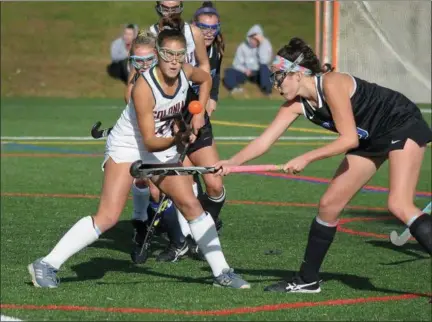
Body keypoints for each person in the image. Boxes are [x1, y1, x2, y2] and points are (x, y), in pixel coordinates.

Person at [27, 17, 250, 290]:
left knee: (192, 205)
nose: (174, 61)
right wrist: (180, 137)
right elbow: (149, 141)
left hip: (161, 146)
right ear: (158, 55)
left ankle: (222, 273)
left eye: (179, 55)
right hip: (129, 145)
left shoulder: (185, 71)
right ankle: (46, 264)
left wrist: (199, 112)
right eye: (168, 54)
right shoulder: (144, 88)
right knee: (108, 215)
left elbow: (205, 78)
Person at [215, 37, 432, 293]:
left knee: (398, 204)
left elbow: (348, 138)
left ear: (297, 73)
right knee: (329, 205)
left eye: (279, 77)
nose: (275, 84)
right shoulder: (295, 106)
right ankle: (307, 279)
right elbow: (264, 142)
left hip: (400, 123)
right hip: (370, 138)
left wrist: (306, 157)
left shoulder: (332, 83)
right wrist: (231, 162)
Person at [130, 1, 226, 263]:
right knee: (172, 187)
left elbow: (205, 70)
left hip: (192, 110)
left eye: (174, 6)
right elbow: (137, 76)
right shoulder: (148, 34)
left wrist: (201, 108)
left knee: (213, 182)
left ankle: (204, 227)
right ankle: (181, 240)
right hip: (166, 114)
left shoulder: (193, 33)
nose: (169, 10)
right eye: (164, 6)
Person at [222, 24, 272, 96]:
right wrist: (244, 70)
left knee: (265, 69)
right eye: (252, 38)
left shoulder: (265, 44)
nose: (254, 41)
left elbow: (264, 61)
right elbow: (236, 64)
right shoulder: (242, 46)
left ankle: (266, 90)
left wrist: (262, 44)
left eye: (256, 39)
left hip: (259, 72)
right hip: (246, 72)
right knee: (229, 71)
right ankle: (234, 88)